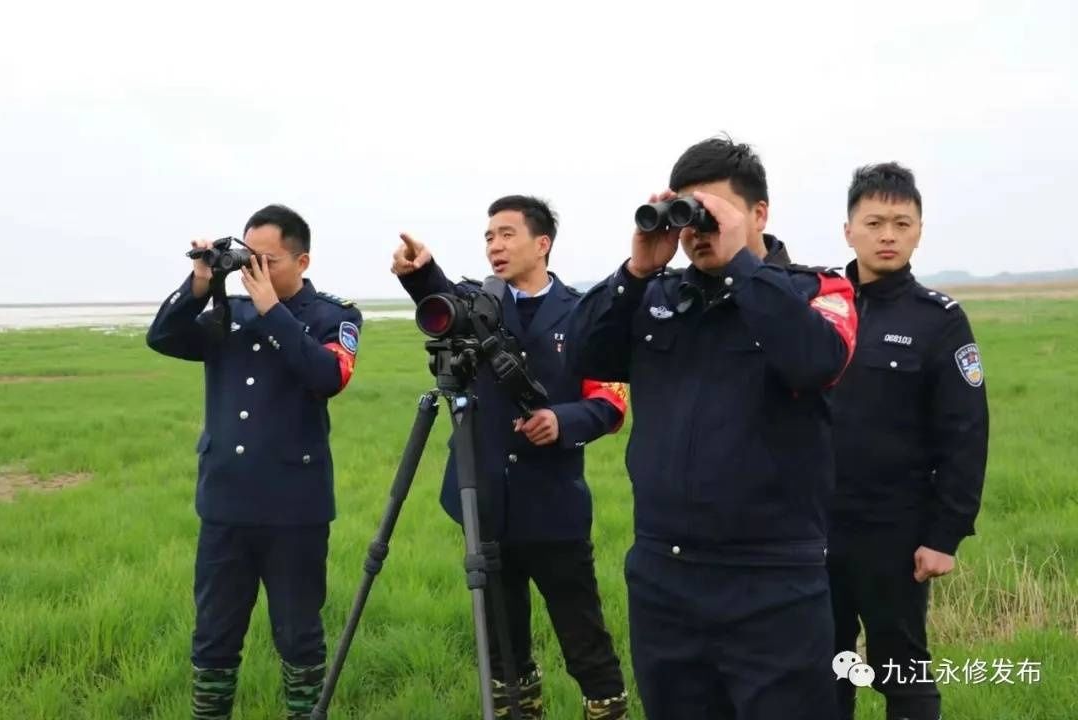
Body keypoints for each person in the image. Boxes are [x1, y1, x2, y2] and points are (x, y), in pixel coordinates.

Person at [565, 136, 858, 720]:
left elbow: (817, 360)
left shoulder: (815, 291)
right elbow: (581, 354)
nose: (698, 231)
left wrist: (743, 270)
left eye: (713, 213)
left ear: (759, 214)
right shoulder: (660, 298)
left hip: (773, 579)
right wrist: (637, 270)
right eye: (687, 214)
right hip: (665, 577)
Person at [391, 195, 630, 720]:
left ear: (542, 244)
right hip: (485, 503)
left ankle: (605, 704)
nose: (495, 246)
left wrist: (563, 421)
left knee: (582, 631)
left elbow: (611, 399)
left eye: (507, 234)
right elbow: (441, 302)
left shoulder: (582, 311)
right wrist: (419, 273)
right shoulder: (479, 303)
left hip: (555, 507)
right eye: (488, 236)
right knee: (502, 640)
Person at [146, 204, 363, 720]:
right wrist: (199, 280)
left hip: (295, 509)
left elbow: (328, 377)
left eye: (268, 259)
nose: (255, 270)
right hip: (225, 503)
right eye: (249, 257)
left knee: (299, 636)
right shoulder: (230, 312)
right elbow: (163, 337)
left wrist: (274, 312)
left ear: (302, 261)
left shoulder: (334, 316)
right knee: (214, 636)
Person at [827, 163, 990, 720]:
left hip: (894, 536)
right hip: (811, 529)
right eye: (874, 222)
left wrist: (945, 534)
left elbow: (966, 434)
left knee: (904, 675)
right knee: (821, 673)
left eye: (901, 222)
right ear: (848, 229)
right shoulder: (819, 307)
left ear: (919, 229)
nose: (888, 235)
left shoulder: (938, 321)